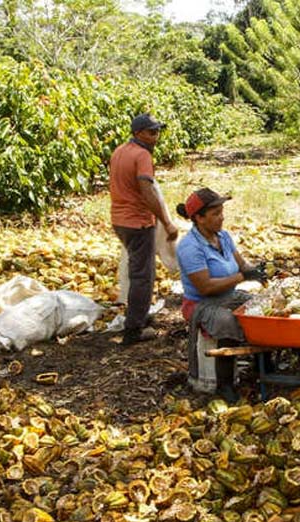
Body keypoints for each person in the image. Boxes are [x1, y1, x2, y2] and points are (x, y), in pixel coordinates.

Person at [176, 188, 265, 403]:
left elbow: (242, 265)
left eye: (222, 212)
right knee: (227, 321)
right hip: (201, 303)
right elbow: (205, 287)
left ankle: (263, 366)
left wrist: (259, 271)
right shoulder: (189, 247)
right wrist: (242, 277)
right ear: (199, 218)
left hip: (228, 295)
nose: (221, 217)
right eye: (215, 214)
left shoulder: (223, 237)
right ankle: (225, 383)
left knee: (262, 308)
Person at [109, 113, 180, 345]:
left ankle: (139, 314)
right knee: (143, 276)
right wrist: (166, 222)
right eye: (151, 132)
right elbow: (147, 191)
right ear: (138, 133)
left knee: (138, 271)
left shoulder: (120, 151)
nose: (156, 136)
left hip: (119, 220)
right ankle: (134, 330)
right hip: (137, 222)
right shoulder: (142, 155)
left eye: (158, 131)